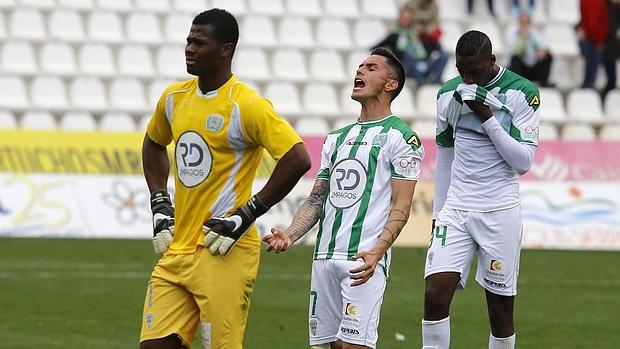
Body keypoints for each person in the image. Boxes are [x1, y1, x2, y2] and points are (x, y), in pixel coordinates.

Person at [139, 8, 311, 349]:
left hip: (224, 249)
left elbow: (297, 158)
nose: (189, 48)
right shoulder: (174, 98)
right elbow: (153, 143)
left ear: (225, 50)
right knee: (154, 346)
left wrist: (248, 213)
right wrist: (159, 200)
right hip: (179, 249)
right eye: (188, 41)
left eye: (199, 42)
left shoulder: (246, 105)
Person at [263, 47, 425, 349]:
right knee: (333, 346)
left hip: (363, 259)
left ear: (391, 84)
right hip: (324, 258)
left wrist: (377, 252)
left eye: (372, 67)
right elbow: (316, 200)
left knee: (354, 346)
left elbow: (401, 205)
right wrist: (291, 234)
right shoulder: (336, 138)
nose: (360, 70)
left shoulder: (401, 137)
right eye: (361, 65)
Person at [422, 30, 540, 349]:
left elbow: (524, 161)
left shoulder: (522, 92)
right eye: (461, 69)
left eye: (474, 70)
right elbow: (445, 156)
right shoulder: (448, 94)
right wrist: (438, 214)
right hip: (456, 210)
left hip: (499, 210)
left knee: (499, 311)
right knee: (434, 295)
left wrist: (487, 118)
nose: (467, 77)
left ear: (492, 61)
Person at [374, 6, 448, 86]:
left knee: (444, 55)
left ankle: (436, 81)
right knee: (407, 54)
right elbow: (377, 47)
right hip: (407, 67)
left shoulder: (419, 33)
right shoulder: (394, 35)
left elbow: (435, 47)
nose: (406, 20)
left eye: (409, 18)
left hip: (424, 63)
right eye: (404, 18)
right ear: (400, 18)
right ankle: (420, 81)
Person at [578, 0, 615, 94]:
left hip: (593, 38)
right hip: (594, 40)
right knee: (591, 73)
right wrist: (599, 40)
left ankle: (586, 93)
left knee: (590, 72)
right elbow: (592, 23)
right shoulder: (595, 2)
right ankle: (586, 95)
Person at [507, 12, 552, 87]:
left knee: (548, 56)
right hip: (521, 69)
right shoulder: (512, 34)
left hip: (534, 67)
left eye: (526, 22)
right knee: (515, 58)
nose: (524, 25)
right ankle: (518, 83)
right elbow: (515, 51)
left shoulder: (536, 33)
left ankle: (544, 82)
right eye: (522, 22)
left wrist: (541, 51)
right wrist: (522, 38)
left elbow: (544, 48)